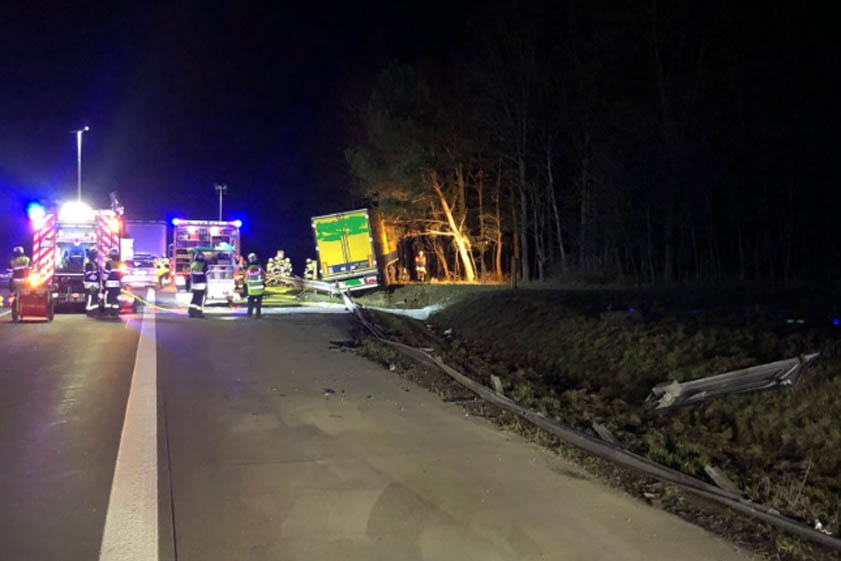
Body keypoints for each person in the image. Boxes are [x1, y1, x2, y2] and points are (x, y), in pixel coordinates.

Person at [102, 248, 123, 315]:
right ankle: (115, 312)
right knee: (115, 298)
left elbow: (105, 275)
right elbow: (122, 275)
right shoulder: (120, 263)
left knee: (109, 298)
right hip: (117, 284)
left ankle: (108, 312)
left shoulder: (109, 263)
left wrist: (103, 283)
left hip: (109, 284)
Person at [245, 253, 265, 318]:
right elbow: (264, 277)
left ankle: (249, 315)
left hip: (251, 290)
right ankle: (258, 315)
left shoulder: (248, 270)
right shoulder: (260, 269)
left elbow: (245, 280)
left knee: (250, 304)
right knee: (258, 304)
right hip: (259, 290)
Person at [189, 251, 208, 318]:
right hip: (201, 284)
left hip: (194, 284)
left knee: (194, 298)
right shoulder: (203, 264)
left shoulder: (193, 264)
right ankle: (198, 313)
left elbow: (191, 273)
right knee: (200, 299)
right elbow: (207, 272)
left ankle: (191, 312)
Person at [83, 248, 101, 314]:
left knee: (94, 297)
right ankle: (90, 311)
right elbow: (88, 274)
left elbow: (97, 272)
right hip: (90, 283)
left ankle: (94, 310)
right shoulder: (89, 264)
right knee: (90, 297)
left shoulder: (94, 263)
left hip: (93, 283)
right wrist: (95, 278)